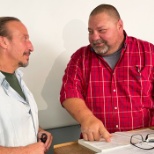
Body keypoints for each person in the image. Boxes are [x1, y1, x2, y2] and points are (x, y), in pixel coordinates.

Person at [60, 4, 154, 142]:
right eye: (90, 31)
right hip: (98, 142)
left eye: (101, 30)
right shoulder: (80, 57)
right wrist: (87, 118)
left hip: (143, 142)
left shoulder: (149, 52)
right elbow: (69, 92)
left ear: (119, 26)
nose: (94, 37)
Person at [0, 17, 52, 154]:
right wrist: (25, 151)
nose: (31, 47)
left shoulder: (17, 78)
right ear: (4, 42)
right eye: (24, 39)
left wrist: (37, 130)